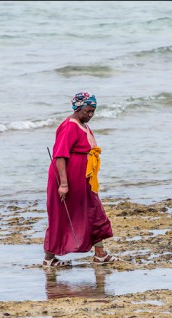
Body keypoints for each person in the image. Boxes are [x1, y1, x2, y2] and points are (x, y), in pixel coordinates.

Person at [43, 92, 118, 267]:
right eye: (87, 111)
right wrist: (63, 184)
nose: (90, 115)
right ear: (78, 108)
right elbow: (60, 156)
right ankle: (48, 259)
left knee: (95, 212)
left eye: (93, 111)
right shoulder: (69, 126)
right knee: (60, 217)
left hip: (85, 180)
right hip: (67, 180)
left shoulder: (83, 125)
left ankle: (100, 254)